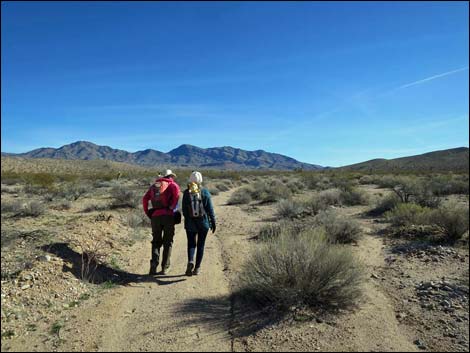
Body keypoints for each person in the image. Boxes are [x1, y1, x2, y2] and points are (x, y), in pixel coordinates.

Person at [142, 169, 180, 275]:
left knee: (156, 241)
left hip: (155, 217)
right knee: (168, 242)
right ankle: (165, 267)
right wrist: (172, 208)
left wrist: (148, 212)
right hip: (168, 216)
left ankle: (153, 265)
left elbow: (145, 199)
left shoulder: (154, 186)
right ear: (170, 176)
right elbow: (177, 197)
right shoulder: (172, 185)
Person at [182, 171, 216, 276]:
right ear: (200, 180)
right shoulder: (205, 192)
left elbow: (184, 210)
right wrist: (213, 222)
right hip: (203, 223)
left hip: (190, 224)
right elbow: (210, 210)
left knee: (191, 243)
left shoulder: (186, 193)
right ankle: (197, 268)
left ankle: (191, 260)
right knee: (201, 245)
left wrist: (188, 220)